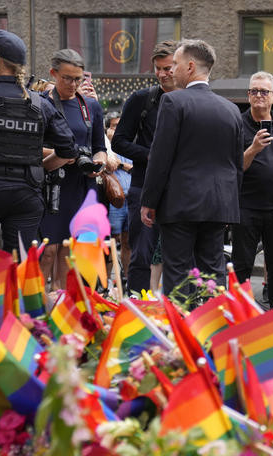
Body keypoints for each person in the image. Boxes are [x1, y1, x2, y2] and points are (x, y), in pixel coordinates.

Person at [140, 39, 243, 297]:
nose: (171, 70)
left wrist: (149, 200)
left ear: (190, 66)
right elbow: (236, 165)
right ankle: (215, 328)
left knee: (177, 271)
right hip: (219, 204)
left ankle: (181, 333)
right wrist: (230, 202)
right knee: (213, 270)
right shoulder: (231, 110)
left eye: (174, 64)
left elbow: (160, 157)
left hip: (180, 204)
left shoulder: (174, 102)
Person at [0, 30, 76, 253]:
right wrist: (39, 167)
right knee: (20, 268)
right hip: (27, 193)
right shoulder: (39, 103)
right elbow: (68, 151)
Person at [40, 49, 109, 290]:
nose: (73, 84)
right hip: (51, 185)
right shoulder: (40, 104)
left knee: (69, 250)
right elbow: (32, 149)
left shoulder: (90, 107)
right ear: (53, 73)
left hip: (81, 185)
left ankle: (61, 301)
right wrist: (62, 155)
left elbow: (99, 147)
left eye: (78, 79)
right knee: (47, 250)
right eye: (67, 78)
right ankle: (35, 306)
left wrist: (97, 163)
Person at [112, 40, 177, 293]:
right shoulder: (142, 99)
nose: (162, 74)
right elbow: (119, 141)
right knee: (141, 253)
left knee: (180, 255)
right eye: (158, 68)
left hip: (180, 190)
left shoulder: (191, 99)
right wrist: (151, 156)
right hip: (143, 186)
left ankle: (177, 313)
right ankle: (137, 307)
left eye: (168, 68)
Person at [231, 71, 273, 308]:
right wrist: (253, 148)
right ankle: (239, 315)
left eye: (264, 91)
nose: (259, 95)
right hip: (245, 206)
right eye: (254, 91)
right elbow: (234, 167)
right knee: (241, 266)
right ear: (248, 95)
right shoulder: (236, 123)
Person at [104, 111, 132, 278]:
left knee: (128, 242)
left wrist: (120, 163)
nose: (117, 130)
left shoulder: (129, 145)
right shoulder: (104, 148)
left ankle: (127, 280)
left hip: (130, 199)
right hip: (113, 201)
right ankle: (107, 283)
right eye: (114, 126)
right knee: (111, 242)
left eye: (119, 126)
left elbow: (133, 168)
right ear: (107, 129)